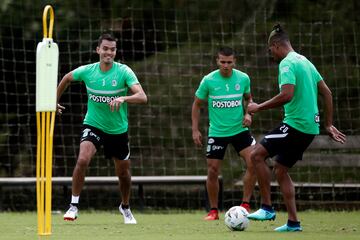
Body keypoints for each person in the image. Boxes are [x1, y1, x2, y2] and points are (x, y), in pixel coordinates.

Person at [246, 24, 346, 232]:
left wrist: (258, 107)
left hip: (295, 124)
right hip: (310, 128)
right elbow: (327, 93)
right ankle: (293, 223)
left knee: (256, 155)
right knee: (281, 170)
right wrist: (327, 123)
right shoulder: (305, 62)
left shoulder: (287, 64)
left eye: (270, 50)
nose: (271, 54)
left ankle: (266, 208)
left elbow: (287, 95)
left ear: (276, 45)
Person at [56, 33, 147, 224]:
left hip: (118, 130)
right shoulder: (88, 71)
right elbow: (67, 78)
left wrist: (123, 98)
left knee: (123, 173)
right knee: (82, 159)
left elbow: (142, 96)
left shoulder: (124, 72)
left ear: (115, 51)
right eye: (105, 48)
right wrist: (53, 101)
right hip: (94, 124)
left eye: (112, 49)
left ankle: (125, 206)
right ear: (98, 50)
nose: (109, 52)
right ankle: (73, 206)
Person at [192, 46, 257, 221]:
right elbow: (197, 104)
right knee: (213, 170)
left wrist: (248, 114)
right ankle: (213, 211)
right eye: (223, 62)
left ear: (234, 62)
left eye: (229, 62)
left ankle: (245, 206)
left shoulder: (243, 78)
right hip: (218, 132)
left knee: (254, 162)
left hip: (239, 130)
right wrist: (195, 129)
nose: (226, 65)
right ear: (217, 61)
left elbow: (249, 99)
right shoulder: (208, 80)